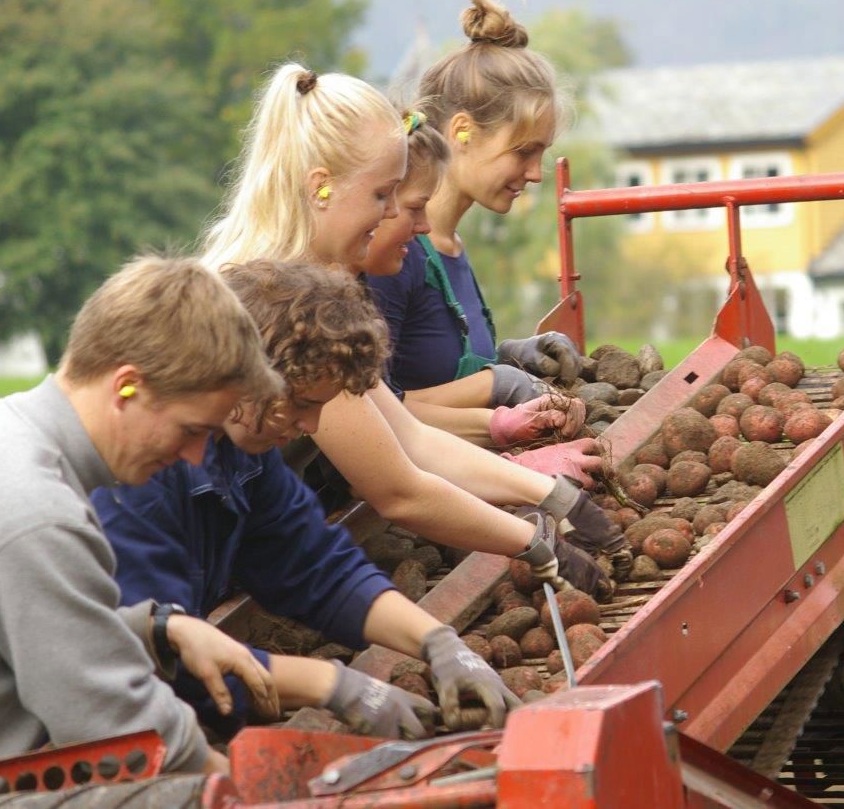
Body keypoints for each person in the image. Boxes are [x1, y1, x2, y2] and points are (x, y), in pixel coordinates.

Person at [199, 65, 629, 582]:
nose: (404, 221)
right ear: (321, 188)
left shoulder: (309, 289)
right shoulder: (274, 302)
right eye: (384, 196)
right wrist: (533, 542)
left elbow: (410, 438)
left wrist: (552, 496)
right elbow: (398, 489)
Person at [95, 260, 524, 736]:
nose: (312, 426)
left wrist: (438, 641)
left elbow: (315, 565)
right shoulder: (139, 478)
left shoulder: (242, 454)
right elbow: (163, 659)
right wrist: (335, 685)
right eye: (301, 404)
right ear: (248, 374)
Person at [0, 258, 282, 775]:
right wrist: (235, 787)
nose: (197, 456)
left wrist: (158, 629)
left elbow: (10, 635)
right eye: (191, 429)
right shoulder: (33, 507)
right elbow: (119, 727)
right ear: (126, 385)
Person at [366, 0, 584, 401]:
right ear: (462, 131)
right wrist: (498, 385)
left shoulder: (451, 246)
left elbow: (435, 372)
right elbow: (375, 414)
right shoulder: (398, 253)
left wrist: (510, 359)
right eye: (523, 151)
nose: (536, 173)